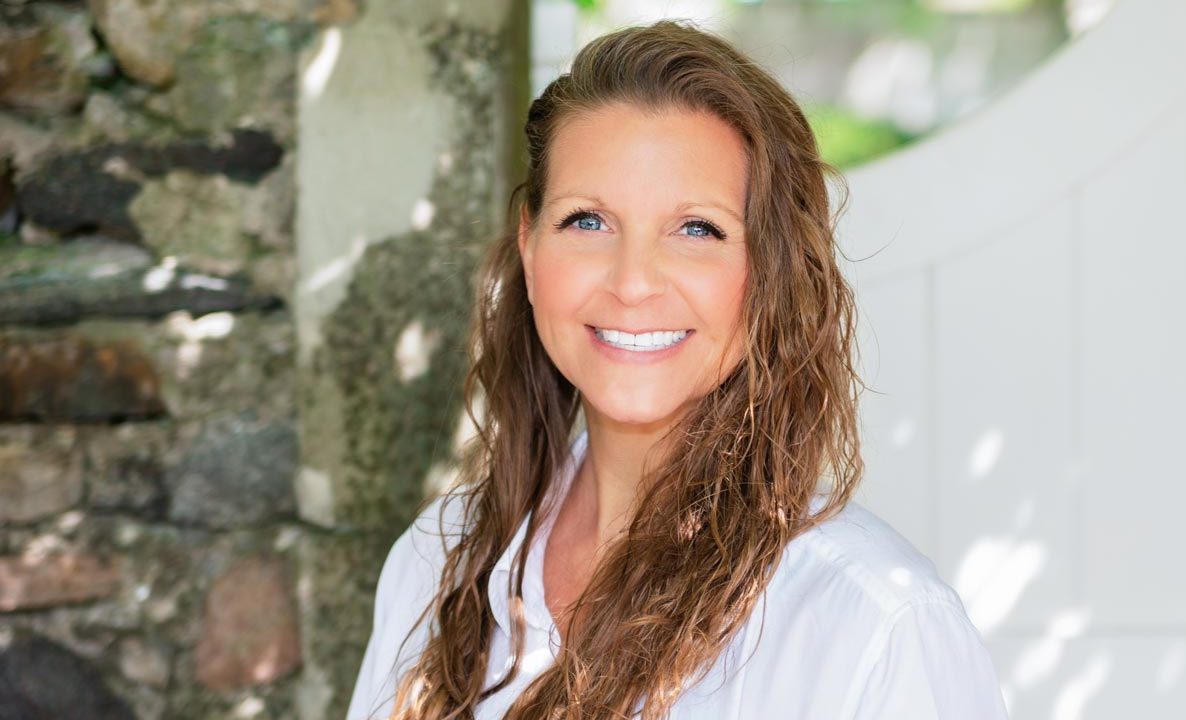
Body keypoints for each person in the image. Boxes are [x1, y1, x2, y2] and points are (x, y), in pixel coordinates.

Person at [347, 19, 1008, 720]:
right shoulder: (434, 563)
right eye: (587, 222)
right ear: (530, 249)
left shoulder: (875, 626)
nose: (633, 282)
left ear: (772, 275)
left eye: (697, 229)